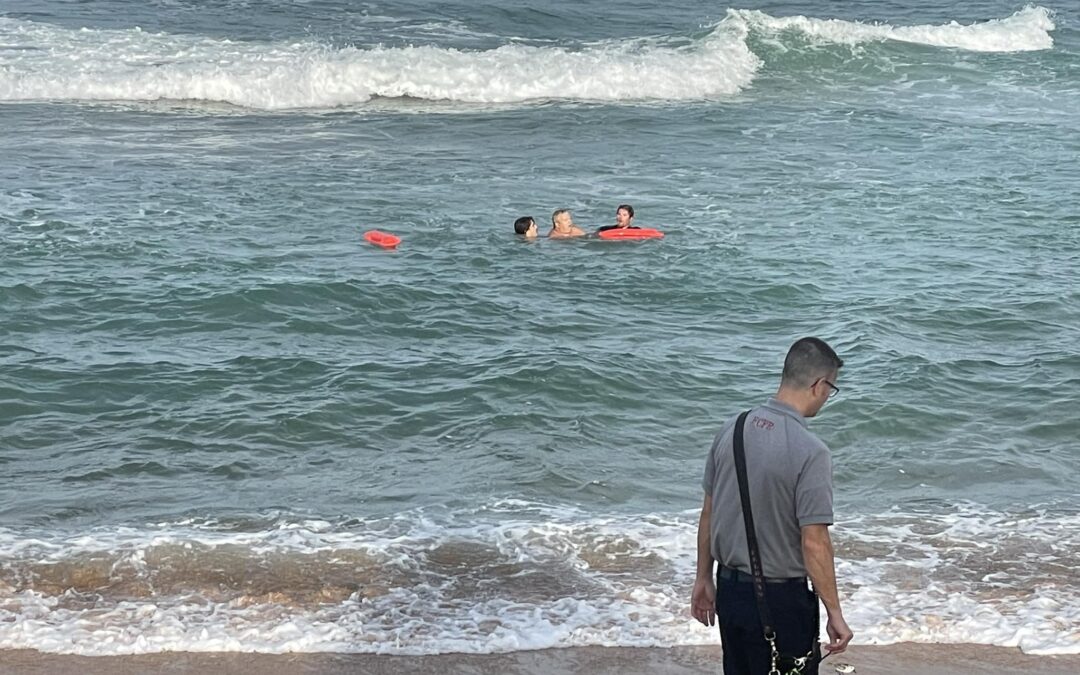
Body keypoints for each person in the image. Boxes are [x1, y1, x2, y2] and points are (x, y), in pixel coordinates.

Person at [691, 337, 853, 675]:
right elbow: (814, 541)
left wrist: (703, 577)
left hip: (730, 593)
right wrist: (834, 612)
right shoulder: (811, 450)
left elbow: (709, 511)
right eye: (831, 389)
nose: (827, 397)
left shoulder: (731, 429)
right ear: (818, 385)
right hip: (782, 602)